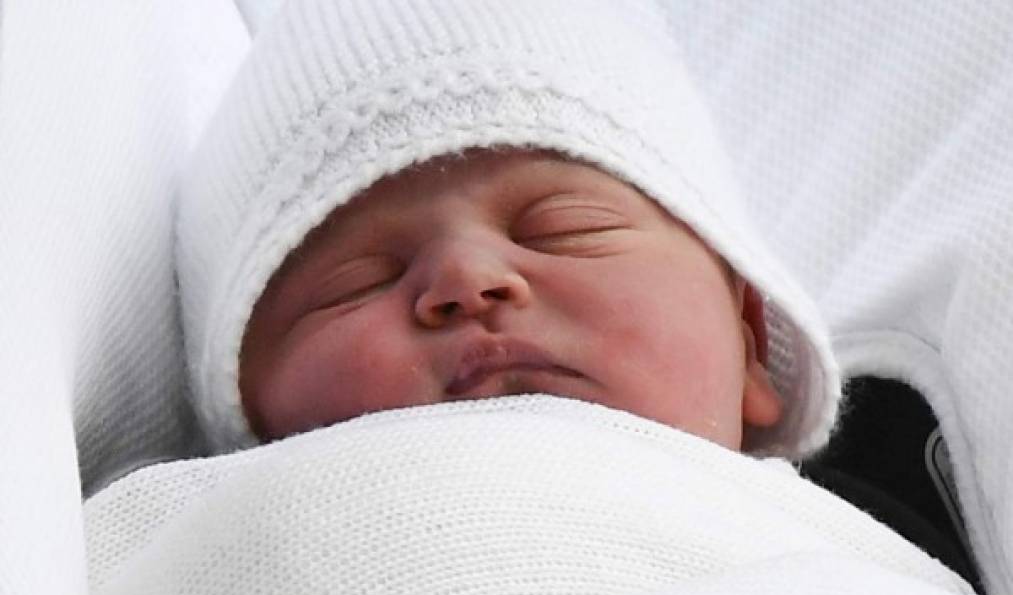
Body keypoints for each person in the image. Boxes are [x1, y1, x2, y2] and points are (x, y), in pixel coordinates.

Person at [175, 0, 840, 463]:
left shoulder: (851, 556)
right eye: (354, 282)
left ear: (747, 335)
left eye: (564, 229)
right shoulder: (182, 551)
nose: (466, 276)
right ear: (249, 416)